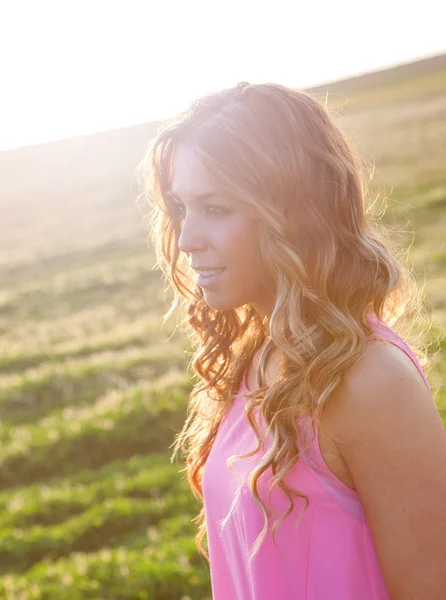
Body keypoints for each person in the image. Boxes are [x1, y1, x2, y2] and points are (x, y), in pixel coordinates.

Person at [139, 82, 446, 599]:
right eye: (181, 207)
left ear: (293, 212)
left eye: (215, 208)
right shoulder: (254, 360)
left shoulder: (371, 381)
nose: (188, 238)